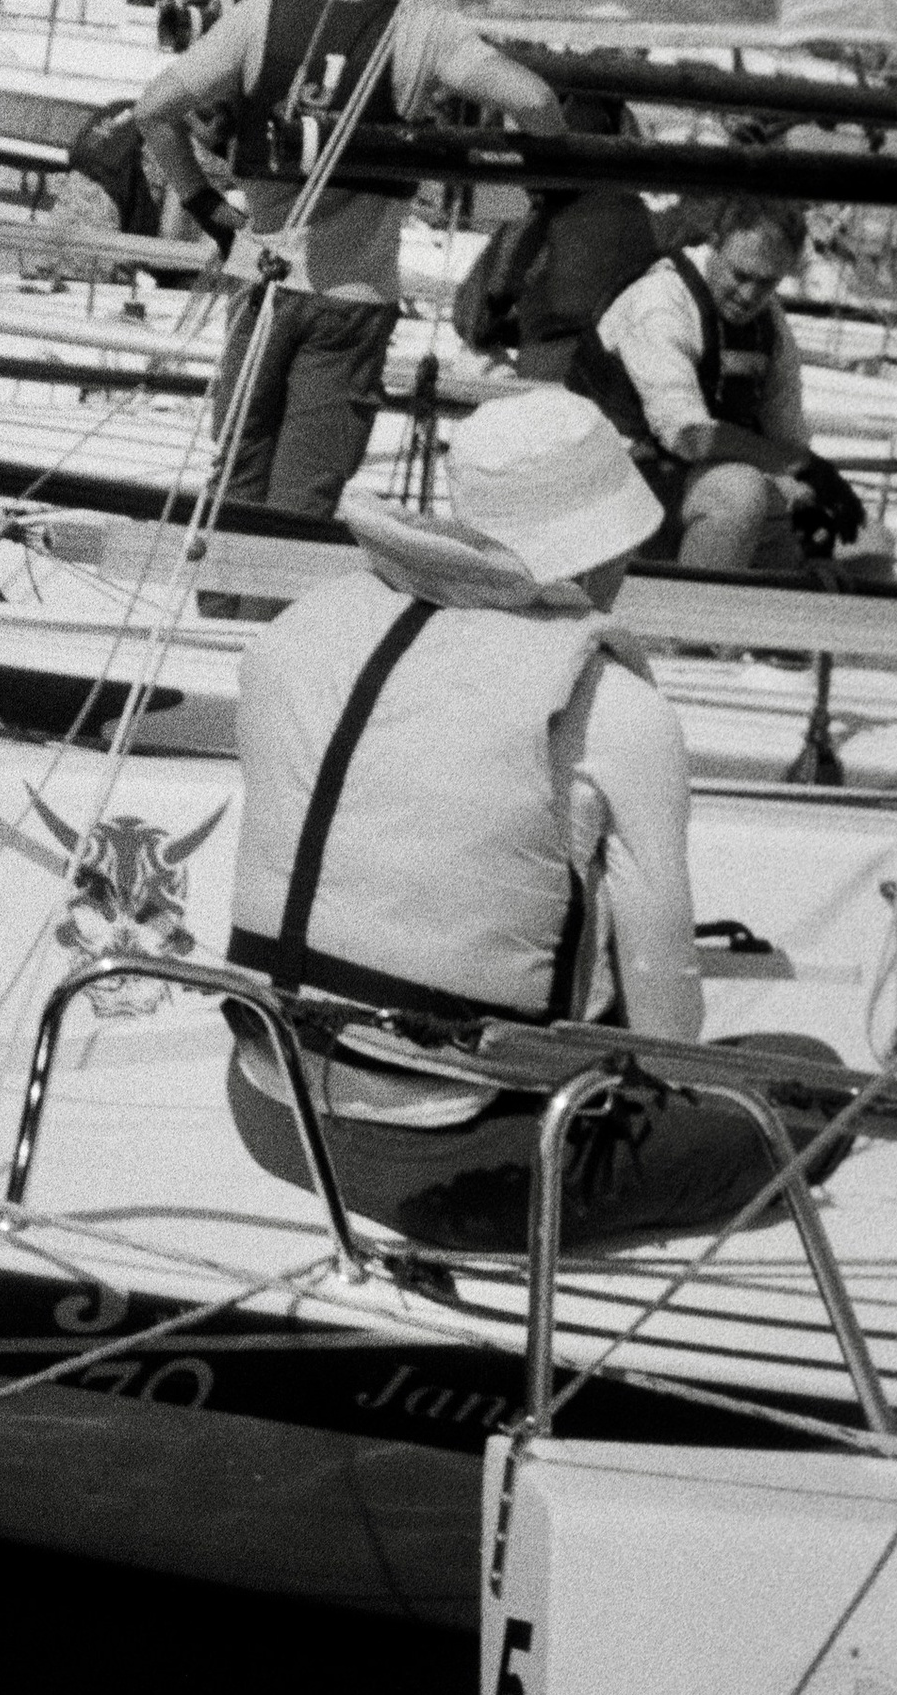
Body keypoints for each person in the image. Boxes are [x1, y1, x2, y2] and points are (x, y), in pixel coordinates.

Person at [220, 387, 837, 1251]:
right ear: (608, 536)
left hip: (264, 1102)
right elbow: (669, 1046)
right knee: (817, 1082)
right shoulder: (612, 707)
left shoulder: (302, 629)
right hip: (460, 1159)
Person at [132, 0, 565, 519]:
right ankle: (266, 617)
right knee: (303, 498)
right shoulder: (421, 31)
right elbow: (536, 103)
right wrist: (520, 201)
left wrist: (209, 212)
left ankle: (220, 611)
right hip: (354, 302)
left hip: (264, 285)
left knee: (234, 481)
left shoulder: (259, 19)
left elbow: (154, 110)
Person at [571, 199, 866, 572]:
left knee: (850, 535)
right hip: (604, 491)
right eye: (740, 275)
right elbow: (689, 435)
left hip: (676, 487)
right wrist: (788, 464)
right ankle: (690, 620)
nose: (749, 296)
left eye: (767, 282)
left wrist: (815, 518)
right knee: (738, 495)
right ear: (714, 244)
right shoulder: (660, 301)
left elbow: (789, 439)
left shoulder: (770, 325)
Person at [455, 94, 660, 384]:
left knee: (477, 353)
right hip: (617, 389)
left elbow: (472, 317)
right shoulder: (642, 219)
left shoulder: (541, 226)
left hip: (559, 386)